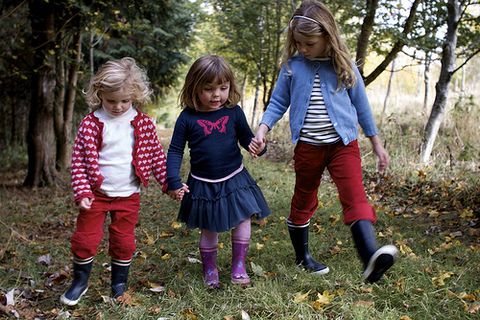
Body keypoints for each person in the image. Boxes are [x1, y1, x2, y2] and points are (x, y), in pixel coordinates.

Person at [253, 1, 397, 283]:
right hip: (308, 147)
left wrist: (376, 143)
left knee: (354, 194)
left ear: (327, 36)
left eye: (309, 43)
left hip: (343, 145)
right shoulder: (293, 66)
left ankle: (370, 257)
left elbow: (362, 107)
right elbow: (278, 102)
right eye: (298, 43)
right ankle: (302, 257)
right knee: (304, 199)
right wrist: (262, 129)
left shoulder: (344, 65)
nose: (303, 48)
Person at [61, 57, 187, 306]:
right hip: (96, 195)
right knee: (85, 238)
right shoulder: (90, 124)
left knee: (123, 240)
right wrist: (83, 191)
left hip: (128, 195)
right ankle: (80, 282)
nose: (118, 107)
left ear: (135, 97)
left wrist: (170, 185)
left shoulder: (143, 124)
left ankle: (118, 285)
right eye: (111, 101)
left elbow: (156, 159)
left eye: (125, 101)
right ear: (99, 95)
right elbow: (78, 162)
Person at [165, 55, 270, 288]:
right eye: (208, 89)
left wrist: (258, 146)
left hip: (234, 177)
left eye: (223, 88)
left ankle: (238, 266)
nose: (216, 95)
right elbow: (174, 150)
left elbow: (247, 139)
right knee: (209, 225)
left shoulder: (234, 112)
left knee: (244, 218)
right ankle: (210, 269)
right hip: (203, 181)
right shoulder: (187, 118)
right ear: (195, 87)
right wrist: (173, 180)